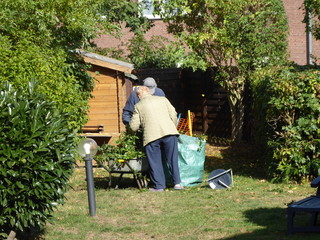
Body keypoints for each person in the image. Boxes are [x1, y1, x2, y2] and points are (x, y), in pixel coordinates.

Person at [129, 86, 183, 191]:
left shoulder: (138, 106)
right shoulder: (163, 99)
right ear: (149, 92)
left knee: (155, 162)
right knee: (172, 159)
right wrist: (171, 126)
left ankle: (159, 186)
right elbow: (174, 114)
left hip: (151, 136)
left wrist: (132, 132)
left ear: (139, 95)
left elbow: (133, 126)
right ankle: (177, 184)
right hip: (169, 132)